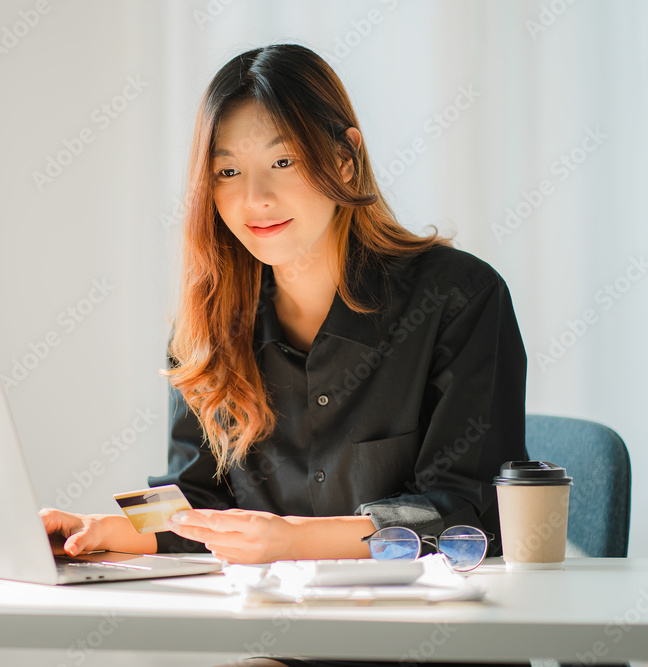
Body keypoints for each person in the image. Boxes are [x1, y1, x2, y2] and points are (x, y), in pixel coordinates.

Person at [41, 43, 528, 667]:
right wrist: (104, 528)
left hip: (436, 647)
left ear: (345, 161)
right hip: (290, 645)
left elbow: (467, 516)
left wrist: (292, 539)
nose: (255, 199)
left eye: (283, 160)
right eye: (227, 172)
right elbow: (196, 495)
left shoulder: (458, 296)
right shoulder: (206, 325)